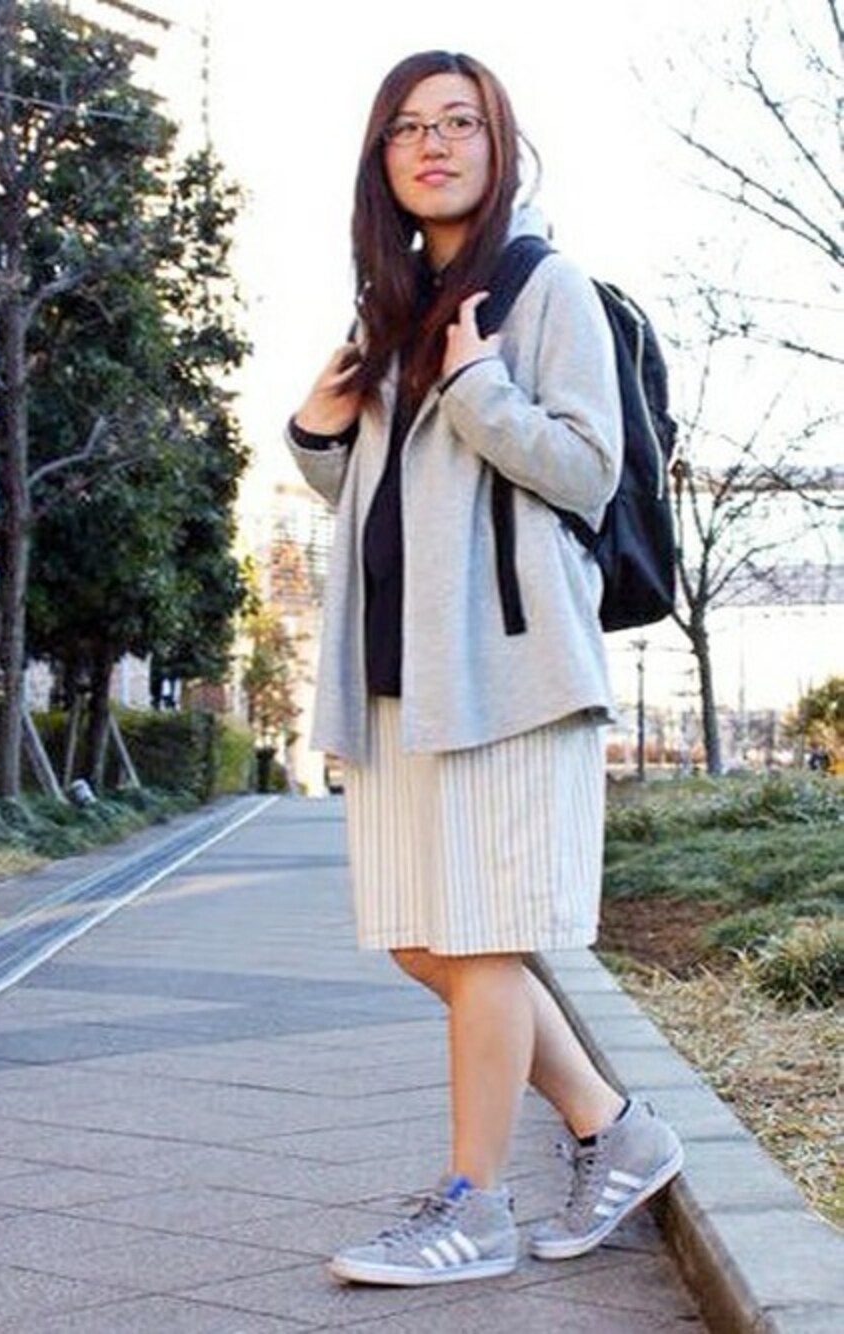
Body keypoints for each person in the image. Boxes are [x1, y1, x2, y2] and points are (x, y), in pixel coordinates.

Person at [287, 49, 683, 1288]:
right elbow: (393, 497)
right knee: (425, 936)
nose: (434, 144)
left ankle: (474, 1205)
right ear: (382, 158)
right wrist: (318, 430)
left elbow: (585, 471)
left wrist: (475, 384)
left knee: (483, 936)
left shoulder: (542, 285)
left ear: (497, 145)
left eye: (459, 122)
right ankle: (615, 1130)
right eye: (409, 127)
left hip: (508, 670)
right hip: (400, 673)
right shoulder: (394, 301)